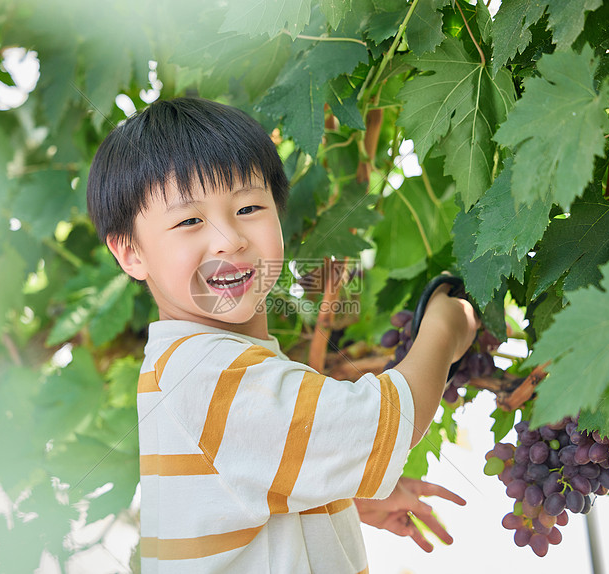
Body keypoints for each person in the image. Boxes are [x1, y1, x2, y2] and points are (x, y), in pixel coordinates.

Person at [87, 97, 479, 573]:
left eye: (249, 207)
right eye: (189, 220)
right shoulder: (207, 371)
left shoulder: (199, 366)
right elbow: (380, 424)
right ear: (130, 252)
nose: (229, 239)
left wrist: (336, 500)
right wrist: (445, 327)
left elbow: (242, 489)